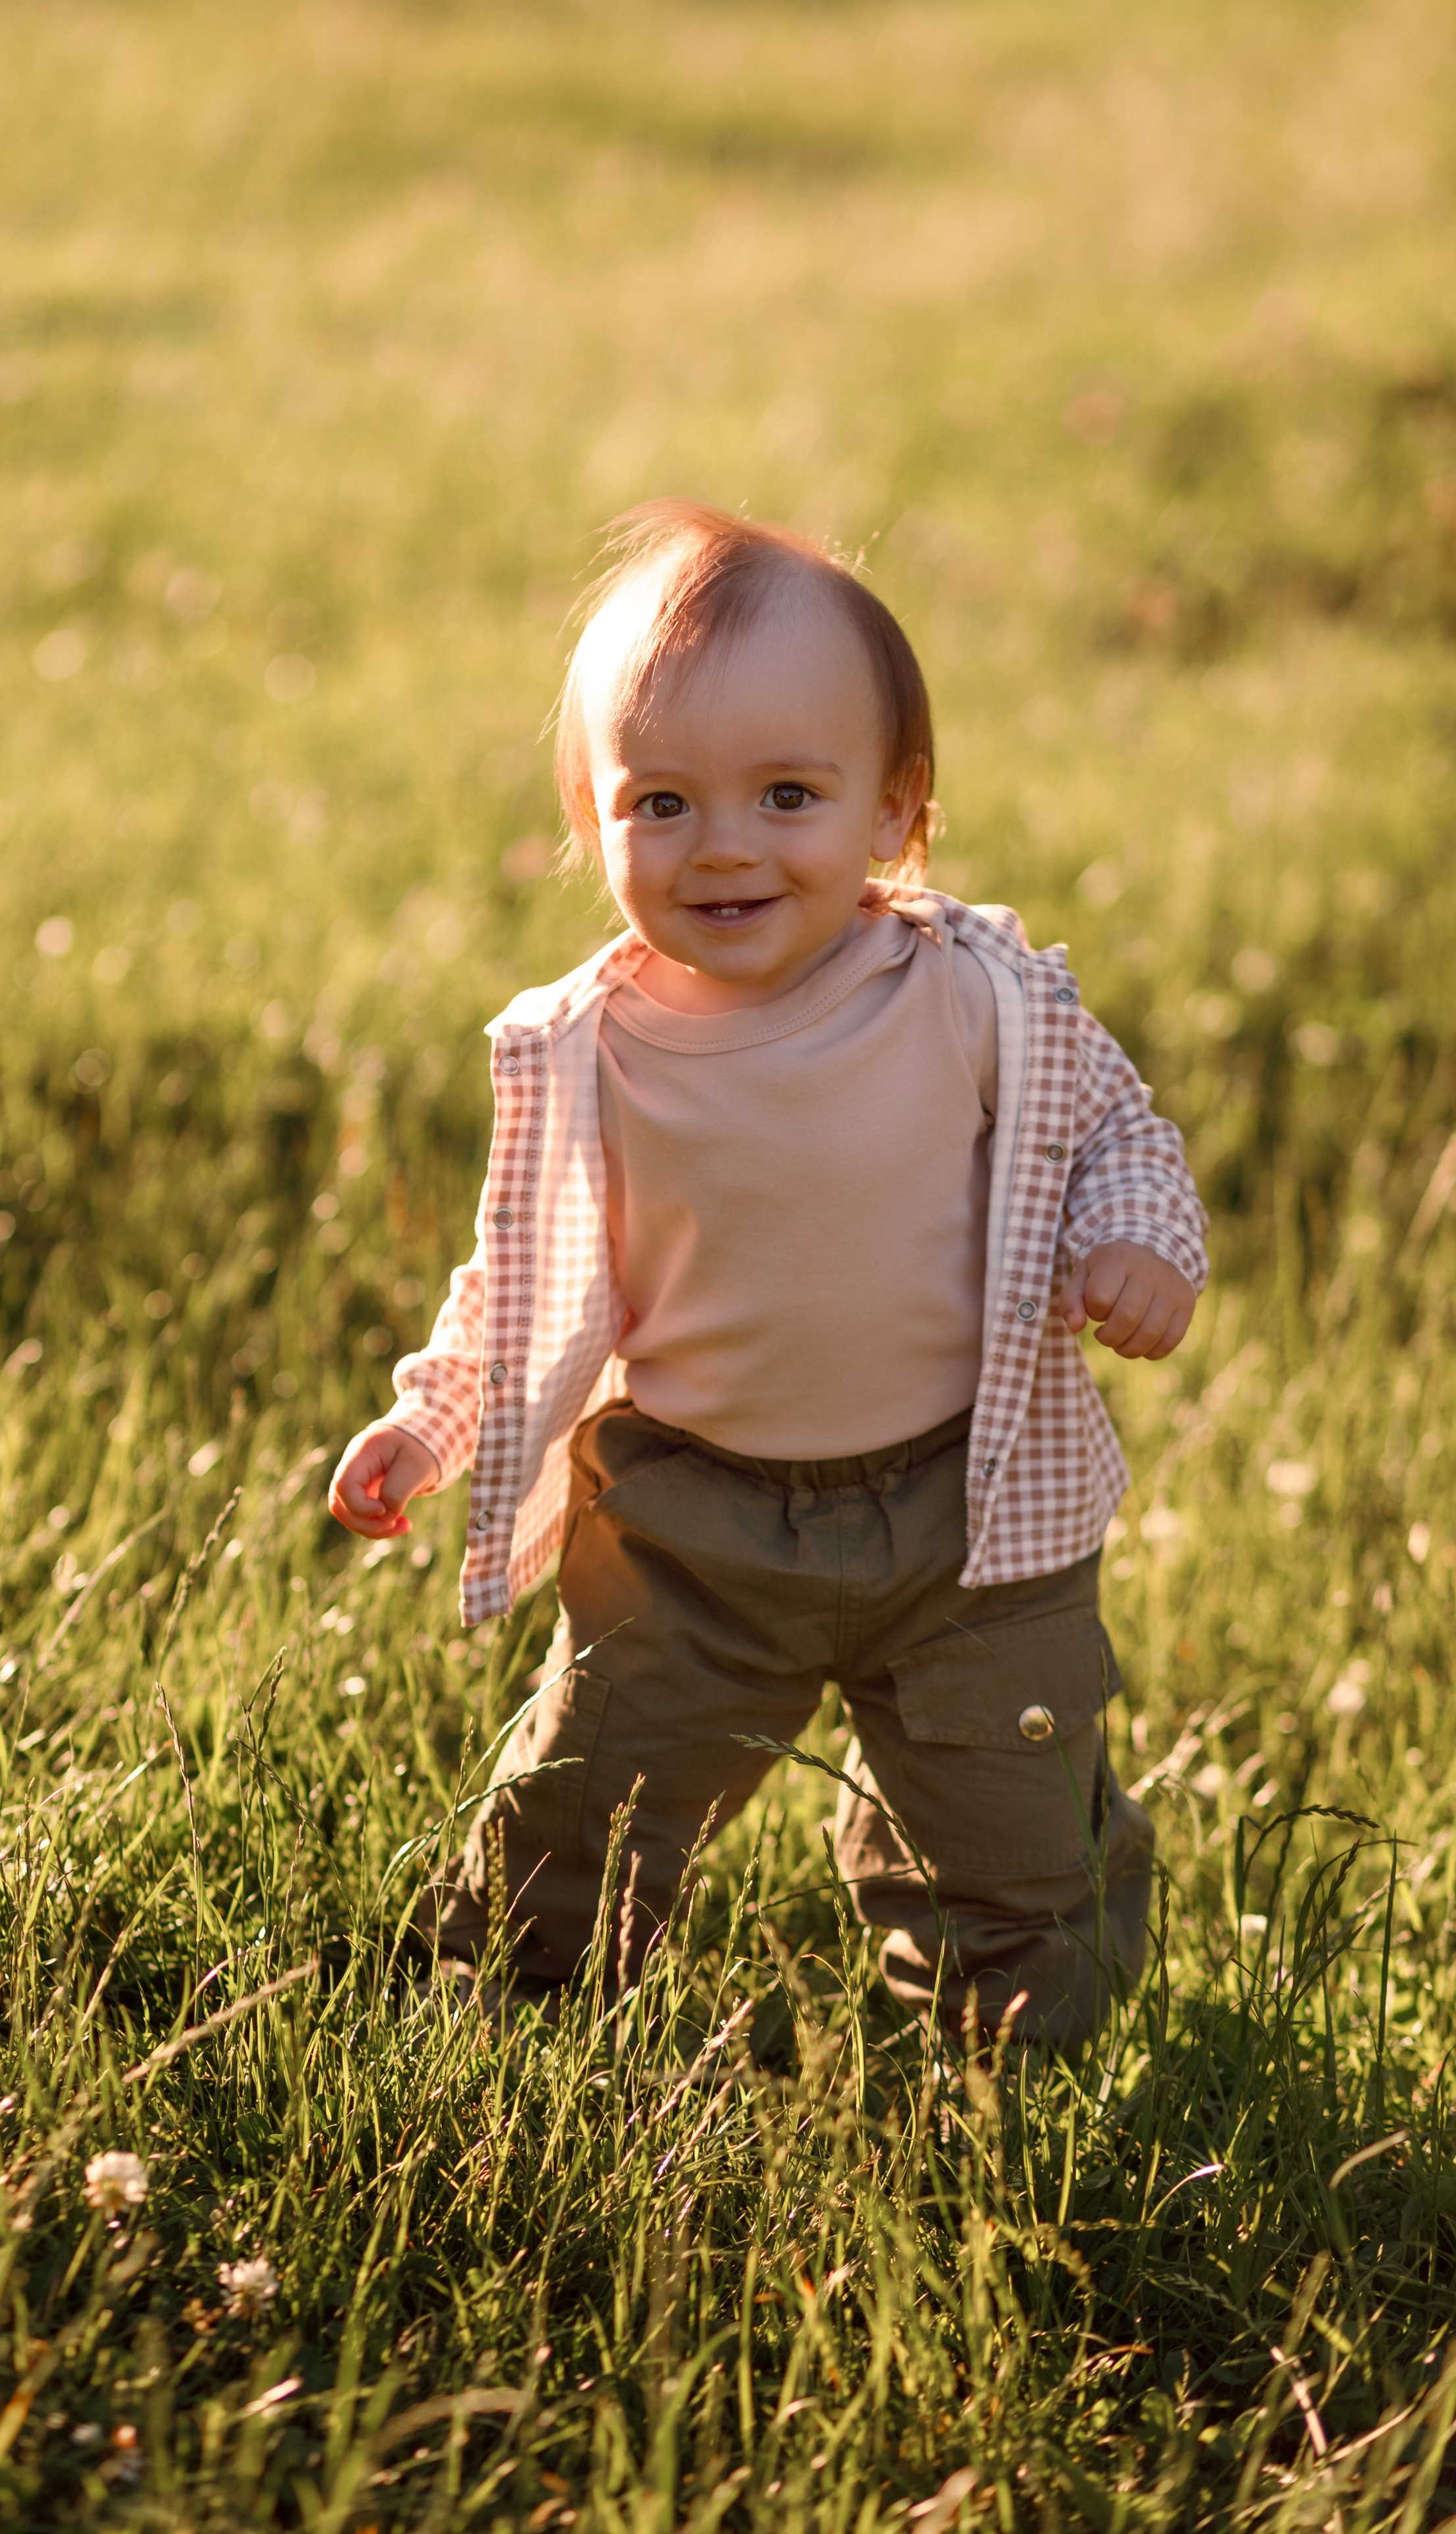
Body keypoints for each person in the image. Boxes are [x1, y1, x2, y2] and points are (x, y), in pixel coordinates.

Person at [329, 500, 1207, 2047]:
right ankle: (503, 2026)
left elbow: (1111, 1138)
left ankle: (1008, 2072)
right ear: (591, 823)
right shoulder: (583, 1051)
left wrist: (1132, 1242)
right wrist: (432, 1421)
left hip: (964, 1518)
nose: (721, 842)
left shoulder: (974, 996)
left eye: (785, 793)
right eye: (658, 801)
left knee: (1011, 1828)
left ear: (892, 808)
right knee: (583, 1807)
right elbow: (515, 1279)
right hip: (690, 1523)